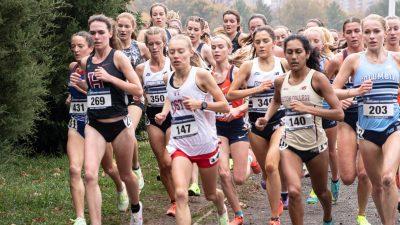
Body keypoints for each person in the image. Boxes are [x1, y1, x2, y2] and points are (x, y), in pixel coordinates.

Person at [257, 34, 344, 225]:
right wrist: (266, 117)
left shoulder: (318, 79)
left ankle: (327, 216)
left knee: (321, 191)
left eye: (298, 52)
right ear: (285, 55)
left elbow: (339, 114)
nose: (294, 57)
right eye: (290, 52)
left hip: (316, 146)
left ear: (306, 54)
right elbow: (276, 101)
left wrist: (307, 109)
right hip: (290, 145)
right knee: (294, 191)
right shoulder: (280, 81)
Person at [70, 15, 143, 225]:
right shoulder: (87, 61)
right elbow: (93, 90)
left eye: (101, 32)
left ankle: (136, 208)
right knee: (90, 175)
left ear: (110, 33)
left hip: (119, 124)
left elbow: (137, 89)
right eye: (93, 32)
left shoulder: (118, 57)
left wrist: (110, 77)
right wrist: (80, 85)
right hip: (95, 125)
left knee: (126, 174)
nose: (97, 36)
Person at [333, 14, 400, 225]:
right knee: (377, 184)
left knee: (389, 178)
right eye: (367, 32)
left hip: (394, 127)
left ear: (385, 32)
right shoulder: (354, 60)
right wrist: (355, 92)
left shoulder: (397, 59)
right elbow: (333, 90)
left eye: (376, 31)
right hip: (367, 131)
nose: (372, 36)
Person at [158, 34, 230, 225]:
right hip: (180, 143)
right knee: (181, 193)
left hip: (205, 144)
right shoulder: (168, 77)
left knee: (211, 194)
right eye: (171, 52)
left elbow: (224, 106)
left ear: (191, 52)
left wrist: (201, 105)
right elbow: (172, 97)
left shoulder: (201, 75)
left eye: (181, 51)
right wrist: (165, 112)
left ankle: (221, 205)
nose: (176, 56)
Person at [227, 25, 289, 225]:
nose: (261, 45)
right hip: (255, 123)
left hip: (280, 120)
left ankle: (274, 218)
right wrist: (256, 90)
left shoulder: (283, 64)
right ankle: (277, 200)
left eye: (265, 41)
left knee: (271, 166)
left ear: (274, 42)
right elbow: (231, 94)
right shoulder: (248, 66)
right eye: (257, 42)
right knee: (267, 170)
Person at [328, 17, 372, 225]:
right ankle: (336, 177)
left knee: (364, 174)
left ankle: (361, 214)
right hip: (347, 119)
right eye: (349, 32)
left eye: (357, 31)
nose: (354, 36)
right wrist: (337, 100)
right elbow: (322, 87)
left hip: (371, 118)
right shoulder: (339, 59)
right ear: (343, 35)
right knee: (348, 177)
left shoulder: (374, 57)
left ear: (363, 32)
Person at [212, 34, 254, 225]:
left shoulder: (237, 72)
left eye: (220, 47)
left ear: (229, 50)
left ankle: (251, 158)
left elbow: (250, 101)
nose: (216, 51)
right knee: (222, 173)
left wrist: (237, 108)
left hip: (237, 124)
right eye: (213, 47)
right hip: (217, 127)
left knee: (238, 178)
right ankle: (238, 215)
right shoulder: (206, 75)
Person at [135, 26, 176, 216]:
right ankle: (174, 200)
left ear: (164, 43)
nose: (154, 47)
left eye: (157, 43)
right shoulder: (141, 69)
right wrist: (139, 97)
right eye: (150, 44)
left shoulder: (173, 64)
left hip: (174, 116)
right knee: (163, 163)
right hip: (153, 116)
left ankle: (181, 192)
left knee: (170, 161)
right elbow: (137, 91)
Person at [303, 26, 340, 205]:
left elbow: (339, 86)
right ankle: (315, 188)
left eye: (316, 41)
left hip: (327, 110)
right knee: (316, 152)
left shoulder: (330, 61)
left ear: (323, 43)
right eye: (308, 41)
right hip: (309, 112)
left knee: (331, 151)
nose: (312, 44)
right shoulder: (300, 62)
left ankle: (335, 181)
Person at [116, 12, 150, 192]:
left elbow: (153, 67)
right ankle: (130, 169)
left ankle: (136, 167)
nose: (123, 29)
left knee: (128, 130)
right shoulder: (111, 47)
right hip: (115, 98)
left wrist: (144, 87)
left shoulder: (141, 47)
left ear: (133, 28)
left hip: (135, 97)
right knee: (122, 134)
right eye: (120, 26)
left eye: (126, 26)